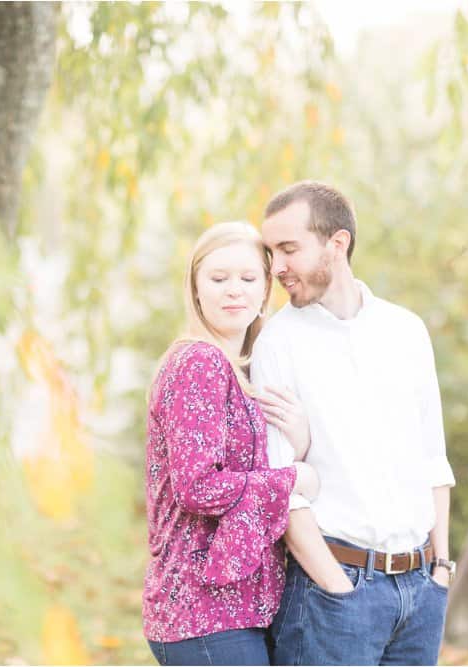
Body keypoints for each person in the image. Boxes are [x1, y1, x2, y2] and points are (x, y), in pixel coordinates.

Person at [250, 181, 456, 666]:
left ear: (336, 244)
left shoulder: (406, 331)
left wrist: (442, 569)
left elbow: (434, 459)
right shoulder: (278, 343)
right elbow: (283, 489)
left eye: (288, 249)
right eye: (271, 252)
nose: (276, 267)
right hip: (334, 594)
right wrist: (337, 588)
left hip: (421, 591)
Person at [143, 222, 322, 666]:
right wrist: (294, 478)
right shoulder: (199, 363)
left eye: (247, 278)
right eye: (218, 279)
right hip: (201, 612)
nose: (233, 291)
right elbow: (198, 487)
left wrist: (297, 442)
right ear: (196, 289)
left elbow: (244, 470)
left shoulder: (240, 370)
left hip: (233, 612)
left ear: (265, 290)